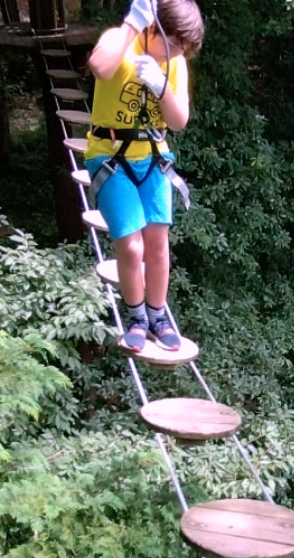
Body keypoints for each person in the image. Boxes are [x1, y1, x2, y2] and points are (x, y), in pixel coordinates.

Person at [85, 0, 204, 353]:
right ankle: (136, 317)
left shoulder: (174, 62)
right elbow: (99, 66)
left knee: (157, 242)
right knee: (131, 243)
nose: (177, 54)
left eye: (183, 49)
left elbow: (178, 121)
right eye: (175, 44)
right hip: (110, 155)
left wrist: (161, 85)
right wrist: (131, 24)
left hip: (153, 156)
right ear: (155, 29)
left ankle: (158, 315)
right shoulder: (120, 41)